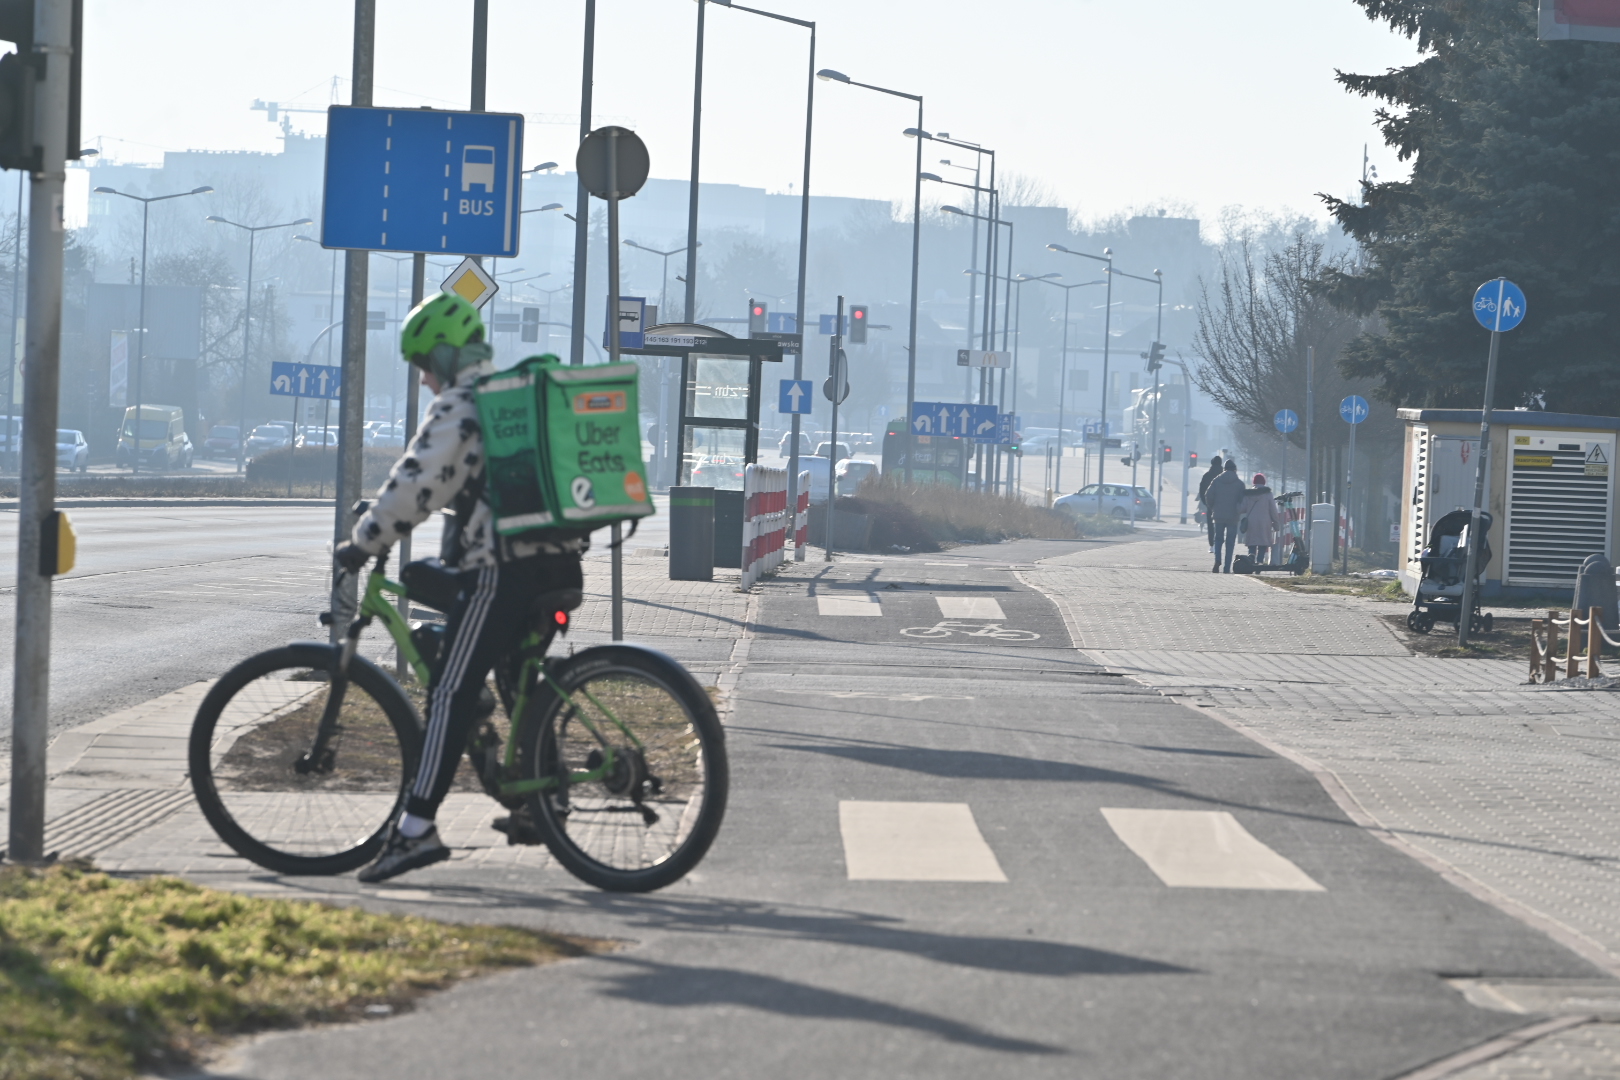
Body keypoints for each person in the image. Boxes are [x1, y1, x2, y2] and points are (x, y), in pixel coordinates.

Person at [333, 292, 590, 884]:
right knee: (513, 678)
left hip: (504, 574)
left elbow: (415, 484)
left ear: (446, 358)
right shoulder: (508, 399)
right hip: (557, 568)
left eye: (425, 364)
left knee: (449, 694)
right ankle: (539, 806)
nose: (423, 379)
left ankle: (415, 832)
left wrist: (363, 543)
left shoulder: (463, 406)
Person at [1205, 458, 1247, 573]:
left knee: (1218, 539)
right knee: (1230, 542)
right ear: (1234, 470)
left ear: (1224, 470)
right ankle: (1227, 567)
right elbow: (1243, 500)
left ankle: (1217, 559)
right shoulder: (1239, 484)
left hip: (1218, 515)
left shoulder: (1216, 481)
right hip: (1233, 517)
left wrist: (1212, 507)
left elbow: (1208, 495)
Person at [1238, 472, 1284, 566]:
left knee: (1252, 543)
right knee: (1263, 543)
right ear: (1264, 482)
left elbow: (1241, 509)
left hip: (1251, 522)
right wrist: (1276, 524)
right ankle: (1259, 561)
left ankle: (1251, 559)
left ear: (1253, 482)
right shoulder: (1268, 494)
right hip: (1265, 522)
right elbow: (1273, 511)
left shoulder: (1248, 494)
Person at [1197, 454, 1224, 552]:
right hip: (1222, 505)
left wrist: (1205, 502)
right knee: (1220, 525)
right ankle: (1219, 544)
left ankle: (1211, 545)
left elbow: (1201, 490)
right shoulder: (1223, 476)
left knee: (1210, 525)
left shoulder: (1207, 475)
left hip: (1210, 504)